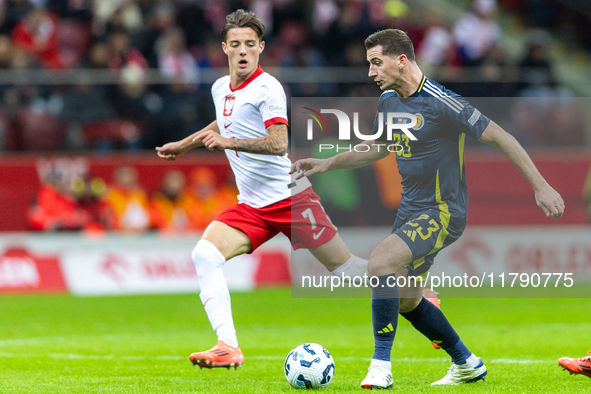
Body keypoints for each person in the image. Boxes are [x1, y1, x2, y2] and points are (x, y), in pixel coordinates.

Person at [291, 28, 565, 388]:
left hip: (442, 211)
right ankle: (467, 363)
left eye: (376, 63)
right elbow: (378, 147)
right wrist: (327, 162)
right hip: (411, 210)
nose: (371, 73)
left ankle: (380, 366)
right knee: (405, 299)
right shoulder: (389, 99)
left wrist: (540, 185)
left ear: (401, 60)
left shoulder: (442, 101)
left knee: (380, 263)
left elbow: (502, 136)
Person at [155, 10, 367, 370]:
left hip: (290, 199)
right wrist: (185, 144)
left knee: (347, 271)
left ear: (261, 48)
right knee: (205, 256)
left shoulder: (268, 88)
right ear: (224, 47)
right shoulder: (220, 87)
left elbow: (279, 143)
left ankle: (414, 289)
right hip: (252, 206)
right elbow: (224, 121)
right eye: (235, 44)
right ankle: (228, 346)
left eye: (249, 45)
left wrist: (226, 142)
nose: (242, 51)